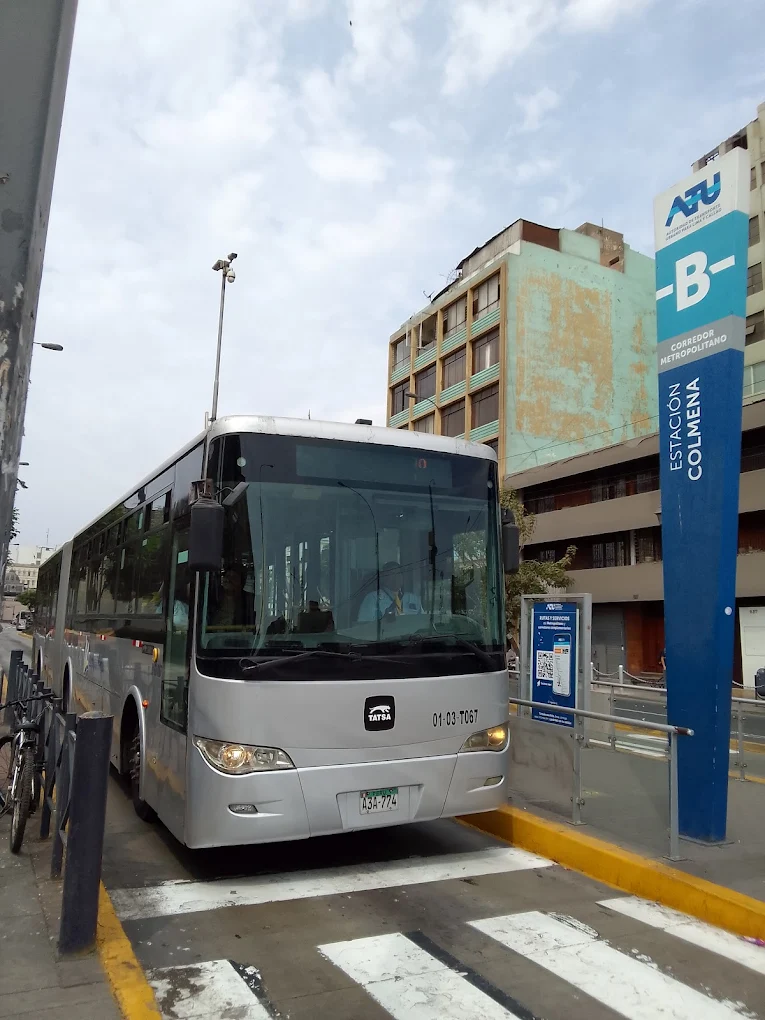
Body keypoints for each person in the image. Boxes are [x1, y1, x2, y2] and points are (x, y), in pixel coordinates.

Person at [357, 561, 423, 622]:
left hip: (411, 634)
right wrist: (383, 621)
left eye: (398, 573)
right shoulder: (372, 598)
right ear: (384, 578)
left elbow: (422, 621)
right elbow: (363, 625)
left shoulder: (413, 598)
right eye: (392, 574)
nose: (396, 577)